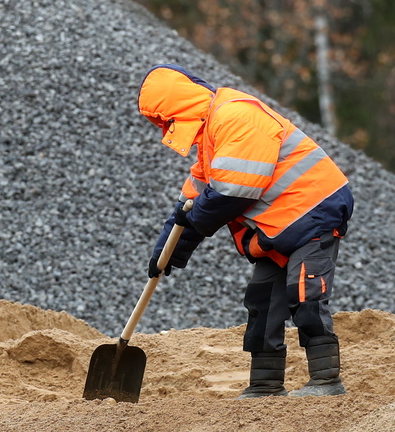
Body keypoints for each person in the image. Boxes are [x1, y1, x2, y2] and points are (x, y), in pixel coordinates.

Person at [137, 65, 354, 397]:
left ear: (177, 108)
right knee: (262, 300)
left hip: (314, 210)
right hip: (279, 225)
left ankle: (326, 380)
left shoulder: (235, 116)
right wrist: (168, 248)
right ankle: (265, 384)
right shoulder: (210, 143)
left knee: (304, 291)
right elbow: (189, 204)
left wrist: (193, 223)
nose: (164, 129)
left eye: (164, 121)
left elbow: (233, 191)